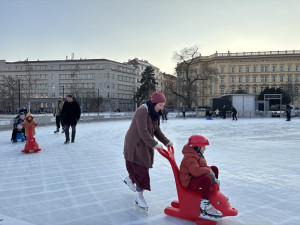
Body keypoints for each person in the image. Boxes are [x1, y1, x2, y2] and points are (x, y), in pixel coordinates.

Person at [123, 92, 173, 211]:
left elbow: (156, 131)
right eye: (160, 105)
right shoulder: (142, 111)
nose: (162, 108)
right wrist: (155, 144)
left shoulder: (155, 113)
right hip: (134, 144)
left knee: (142, 167)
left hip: (145, 143)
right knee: (141, 170)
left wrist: (167, 142)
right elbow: (143, 132)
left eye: (163, 105)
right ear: (154, 103)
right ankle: (139, 196)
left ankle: (130, 179)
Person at [179, 135, 222, 221]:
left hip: (193, 178)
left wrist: (211, 172)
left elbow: (203, 166)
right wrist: (209, 172)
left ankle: (214, 195)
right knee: (206, 179)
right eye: (204, 146)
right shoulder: (190, 157)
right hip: (188, 182)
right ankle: (204, 207)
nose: (205, 148)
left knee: (213, 169)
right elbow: (196, 171)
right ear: (197, 147)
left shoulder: (197, 154)